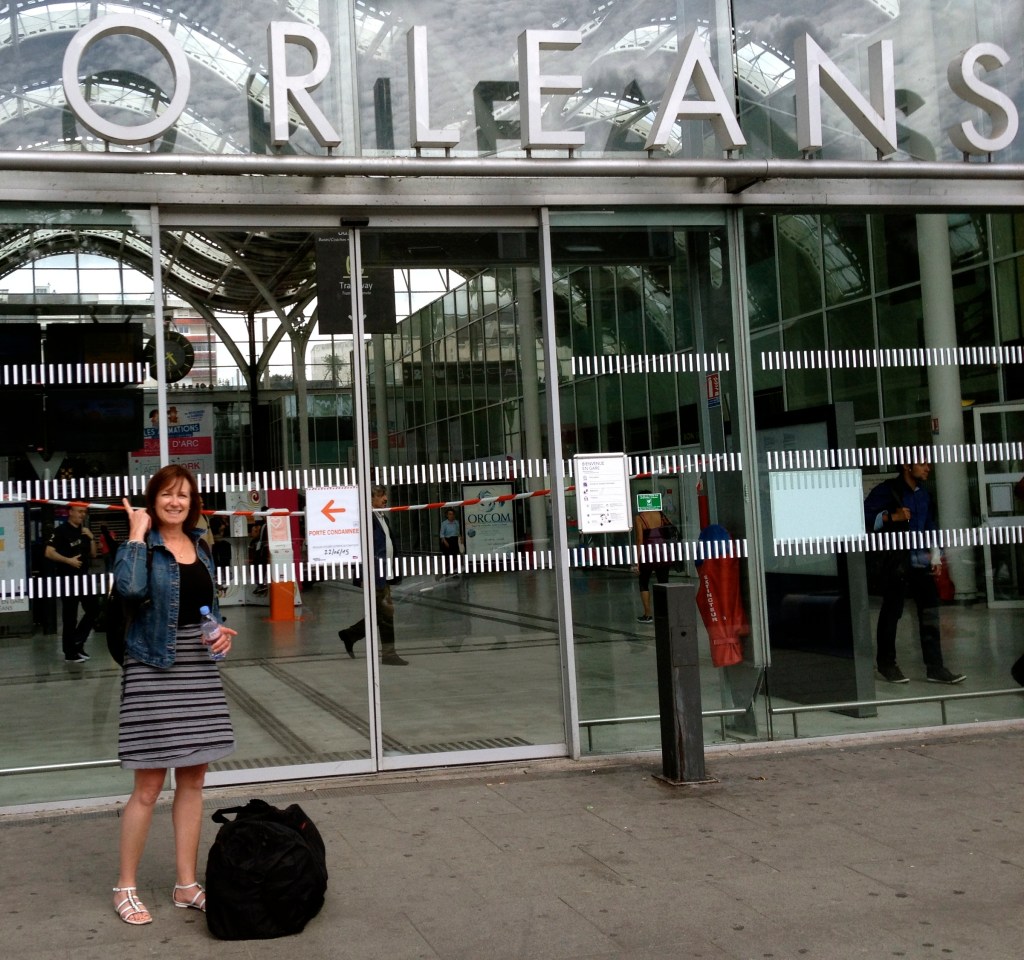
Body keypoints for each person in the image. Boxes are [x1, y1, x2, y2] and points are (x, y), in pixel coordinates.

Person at [110, 465, 236, 926]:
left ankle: (186, 884)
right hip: (152, 668)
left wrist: (220, 634)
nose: (175, 502)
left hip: (197, 670)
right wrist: (137, 535)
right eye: (166, 494)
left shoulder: (202, 548)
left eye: (183, 494)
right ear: (153, 499)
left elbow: (209, 610)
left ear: (193, 501)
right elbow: (129, 590)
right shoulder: (143, 547)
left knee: (193, 781)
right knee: (147, 786)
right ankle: (125, 885)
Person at [864, 463, 965, 685]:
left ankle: (935, 668)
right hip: (896, 563)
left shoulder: (925, 495)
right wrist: (892, 517)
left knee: (929, 614)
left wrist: (937, 556)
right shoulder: (888, 490)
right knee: (892, 613)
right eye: (922, 464)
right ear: (907, 467)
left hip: (921, 562)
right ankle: (887, 664)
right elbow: (864, 517)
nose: (928, 468)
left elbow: (931, 527)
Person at [338, 485, 408, 665]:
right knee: (385, 613)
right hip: (374, 575)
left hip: (383, 573)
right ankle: (388, 653)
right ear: (370, 499)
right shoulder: (366, 519)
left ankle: (350, 635)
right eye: (381, 495)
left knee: (382, 613)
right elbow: (361, 549)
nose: (385, 498)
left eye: (385, 495)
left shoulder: (381, 516)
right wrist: (362, 576)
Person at [45, 503, 98, 662]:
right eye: (80, 511)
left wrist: (92, 537)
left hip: (83, 577)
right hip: (67, 578)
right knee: (70, 617)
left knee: (94, 609)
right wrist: (68, 561)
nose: (82, 515)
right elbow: (49, 552)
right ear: (70, 512)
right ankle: (70, 652)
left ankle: (77, 640)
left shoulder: (84, 532)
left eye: (85, 512)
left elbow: (94, 554)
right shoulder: (61, 531)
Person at [633, 499, 672, 623]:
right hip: (663, 552)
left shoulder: (640, 518)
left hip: (648, 553)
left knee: (644, 582)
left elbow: (640, 539)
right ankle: (665, 613)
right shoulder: (660, 514)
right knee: (664, 582)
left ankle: (648, 614)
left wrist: (637, 561)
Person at [438, 507, 462, 577]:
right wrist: (445, 542)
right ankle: (446, 571)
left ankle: (454, 571)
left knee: (455, 557)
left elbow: (459, 532)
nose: (451, 516)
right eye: (450, 514)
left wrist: (461, 538)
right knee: (447, 557)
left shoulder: (456, 522)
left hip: (455, 540)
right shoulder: (444, 523)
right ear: (447, 515)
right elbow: (442, 534)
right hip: (447, 540)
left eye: (452, 514)